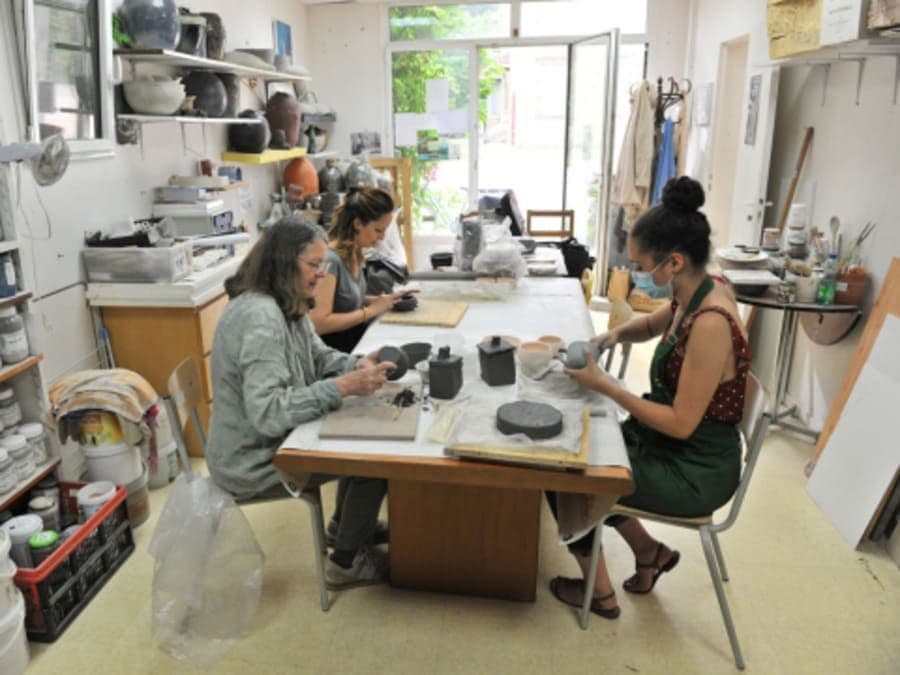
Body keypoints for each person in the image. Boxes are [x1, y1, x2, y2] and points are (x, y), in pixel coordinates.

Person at [548, 176, 752, 618]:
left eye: (643, 266)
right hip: (677, 445)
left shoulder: (712, 321)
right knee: (599, 447)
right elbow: (648, 325)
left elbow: (681, 422)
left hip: (695, 467)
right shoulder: (694, 290)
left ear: (674, 261)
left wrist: (609, 387)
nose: (640, 274)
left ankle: (598, 596)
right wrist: (611, 336)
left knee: (567, 471)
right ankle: (649, 553)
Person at [206, 217, 396, 589]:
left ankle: (346, 528)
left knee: (364, 427)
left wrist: (356, 365)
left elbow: (319, 357)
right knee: (375, 457)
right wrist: (342, 387)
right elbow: (269, 413)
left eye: (322, 265)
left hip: (274, 439)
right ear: (282, 262)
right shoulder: (260, 318)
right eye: (313, 265)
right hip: (251, 460)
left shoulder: (285, 301)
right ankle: (344, 563)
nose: (321, 274)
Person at [310, 187, 411, 352]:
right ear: (358, 224)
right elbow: (318, 323)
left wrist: (383, 300)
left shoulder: (355, 253)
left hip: (356, 342)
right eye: (378, 230)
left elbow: (343, 297)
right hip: (335, 352)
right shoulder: (329, 261)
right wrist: (370, 311)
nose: (382, 237)